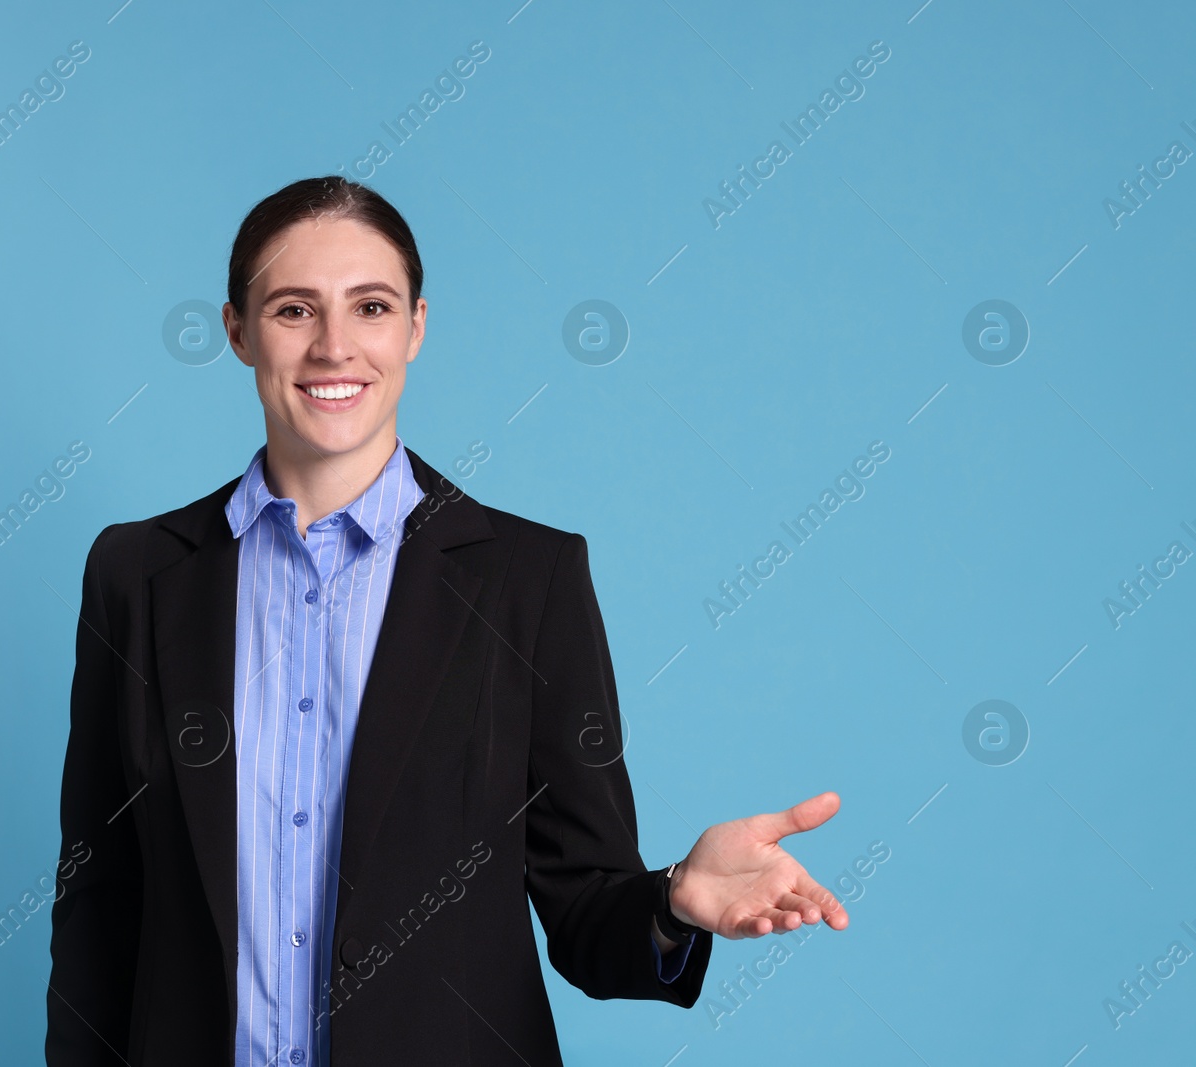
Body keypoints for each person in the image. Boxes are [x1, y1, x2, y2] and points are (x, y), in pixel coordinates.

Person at [45, 176, 850, 1066]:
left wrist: (670, 900)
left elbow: (585, 908)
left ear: (416, 327)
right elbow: (100, 904)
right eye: (293, 310)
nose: (334, 346)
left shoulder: (528, 579)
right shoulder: (137, 574)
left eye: (372, 306)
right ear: (237, 331)